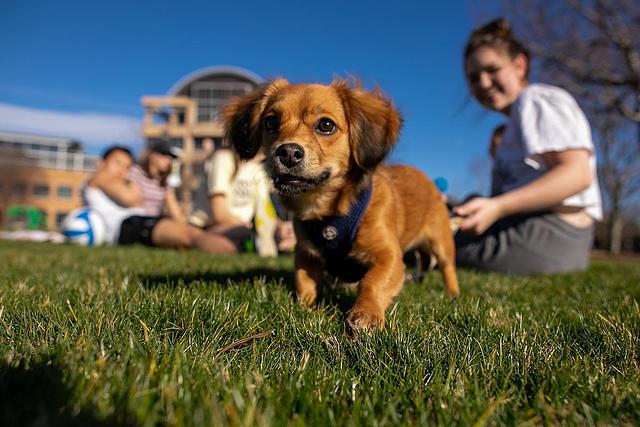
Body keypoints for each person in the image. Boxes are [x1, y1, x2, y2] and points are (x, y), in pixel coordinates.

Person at [454, 18, 603, 275]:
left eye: (492, 70)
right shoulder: (511, 128)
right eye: (474, 77)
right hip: (536, 229)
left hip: (554, 233)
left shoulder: (535, 100)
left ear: (519, 65)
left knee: (437, 241)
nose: (484, 83)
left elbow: (577, 174)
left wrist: (499, 207)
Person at [84, 145, 236, 253]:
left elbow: (174, 210)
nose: (123, 171)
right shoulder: (101, 176)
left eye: (127, 166)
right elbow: (131, 198)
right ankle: (232, 249)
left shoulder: (162, 182)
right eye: (117, 163)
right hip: (128, 224)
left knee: (189, 233)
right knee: (190, 236)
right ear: (101, 163)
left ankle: (232, 243)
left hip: (139, 222)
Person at [206, 146, 296, 256]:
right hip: (214, 227)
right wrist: (255, 231)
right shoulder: (223, 158)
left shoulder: (256, 168)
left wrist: (281, 228)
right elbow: (219, 214)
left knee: (288, 237)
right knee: (236, 242)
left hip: (246, 229)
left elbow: (265, 213)